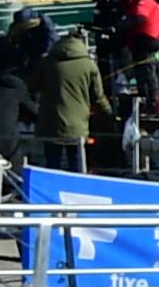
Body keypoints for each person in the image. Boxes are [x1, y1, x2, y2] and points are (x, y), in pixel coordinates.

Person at [34, 20, 108, 173]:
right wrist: (110, 113)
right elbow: (98, 96)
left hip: (50, 124)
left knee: (52, 164)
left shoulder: (47, 62)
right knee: (77, 164)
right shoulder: (89, 65)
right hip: (78, 126)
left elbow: (32, 86)